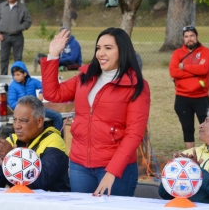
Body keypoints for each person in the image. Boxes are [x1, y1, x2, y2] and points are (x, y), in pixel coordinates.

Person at [41, 27, 150, 197]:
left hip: (115, 169)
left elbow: (134, 135)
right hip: (80, 166)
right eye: (98, 48)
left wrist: (112, 172)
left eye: (108, 48)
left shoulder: (136, 86)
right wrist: (53, 55)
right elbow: (52, 94)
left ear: (123, 51)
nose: (101, 53)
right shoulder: (84, 77)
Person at [0, 95, 70, 192]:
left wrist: (13, 158)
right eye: (14, 120)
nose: (16, 126)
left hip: (52, 203)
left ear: (39, 121)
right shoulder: (12, 140)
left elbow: (41, 185)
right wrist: (1, 166)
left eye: (23, 121)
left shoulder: (55, 142)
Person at [169, 25, 209, 149]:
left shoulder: (206, 52)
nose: (190, 39)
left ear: (197, 37)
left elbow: (204, 69)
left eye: (192, 36)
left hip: (201, 97)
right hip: (182, 97)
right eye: (186, 36)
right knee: (187, 130)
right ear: (183, 39)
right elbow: (173, 72)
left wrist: (184, 67)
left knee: (208, 129)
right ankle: (191, 159)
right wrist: (195, 72)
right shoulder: (177, 53)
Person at [7, 61, 63, 132]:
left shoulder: (32, 81)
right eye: (14, 75)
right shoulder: (12, 86)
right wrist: (25, 105)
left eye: (18, 75)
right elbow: (12, 103)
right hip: (23, 112)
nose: (15, 77)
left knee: (57, 116)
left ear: (25, 73)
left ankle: (60, 138)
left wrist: (41, 93)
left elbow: (44, 85)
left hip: (36, 109)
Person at [0, 0, 32, 75]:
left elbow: (28, 21)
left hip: (17, 37)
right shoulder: (1, 6)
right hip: (4, 37)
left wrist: (19, 28)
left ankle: (17, 78)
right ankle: (3, 77)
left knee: (18, 59)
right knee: (4, 58)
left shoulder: (22, 8)